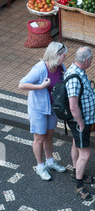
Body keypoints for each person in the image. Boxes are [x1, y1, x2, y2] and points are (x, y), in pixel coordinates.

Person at [19, 42, 68, 181]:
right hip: (38, 109)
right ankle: (40, 166)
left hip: (52, 108)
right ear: (55, 55)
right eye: (63, 55)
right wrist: (41, 86)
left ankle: (50, 161)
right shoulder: (40, 68)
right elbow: (21, 84)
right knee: (39, 138)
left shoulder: (60, 66)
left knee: (49, 136)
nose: (65, 57)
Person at [64, 46, 95, 201]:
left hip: (81, 121)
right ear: (86, 60)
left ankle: (76, 171)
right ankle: (78, 185)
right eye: (91, 59)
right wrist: (81, 123)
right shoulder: (74, 77)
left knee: (75, 144)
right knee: (85, 153)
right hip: (80, 122)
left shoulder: (77, 71)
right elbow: (73, 105)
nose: (91, 62)